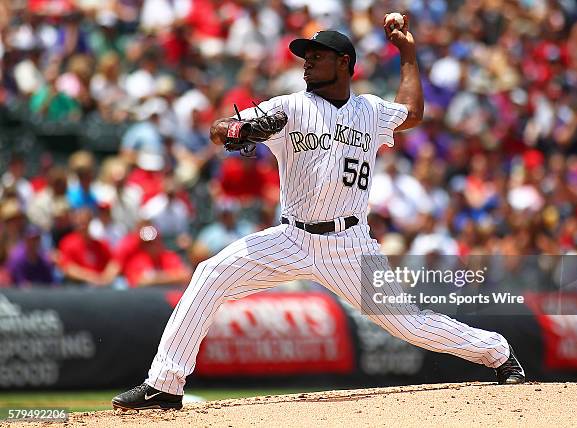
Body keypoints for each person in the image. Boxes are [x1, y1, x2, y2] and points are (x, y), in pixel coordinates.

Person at [113, 17, 525, 411]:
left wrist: (408, 53)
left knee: (407, 324)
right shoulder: (289, 107)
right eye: (305, 55)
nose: (307, 60)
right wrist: (242, 130)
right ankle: (164, 385)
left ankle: (497, 351)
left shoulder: (370, 110)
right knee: (209, 275)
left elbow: (413, 113)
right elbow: (218, 129)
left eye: (318, 54)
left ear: (344, 62)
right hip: (291, 238)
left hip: (349, 245)